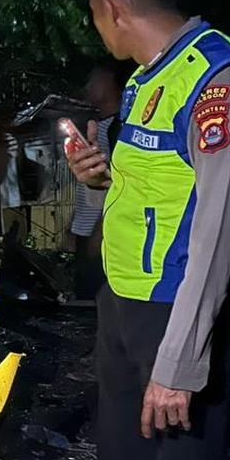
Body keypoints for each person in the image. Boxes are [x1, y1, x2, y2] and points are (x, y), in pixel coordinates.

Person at [64, 0, 230, 460]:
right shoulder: (146, 80)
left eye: (94, 15)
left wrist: (180, 363)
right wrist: (99, 177)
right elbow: (165, 188)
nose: (97, 28)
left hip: (176, 309)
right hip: (126, 303)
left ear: (112, 9)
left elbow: (219, 226)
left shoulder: (216, 79)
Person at [71, 61, 129, 300]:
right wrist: (75, 226)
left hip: (103, 239)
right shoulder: (99, 127)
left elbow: (121, 186)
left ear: (109, 79)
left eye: (91, 79)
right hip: (88, 235)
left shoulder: (120, 128)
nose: (86, 86)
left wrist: (100, 233)